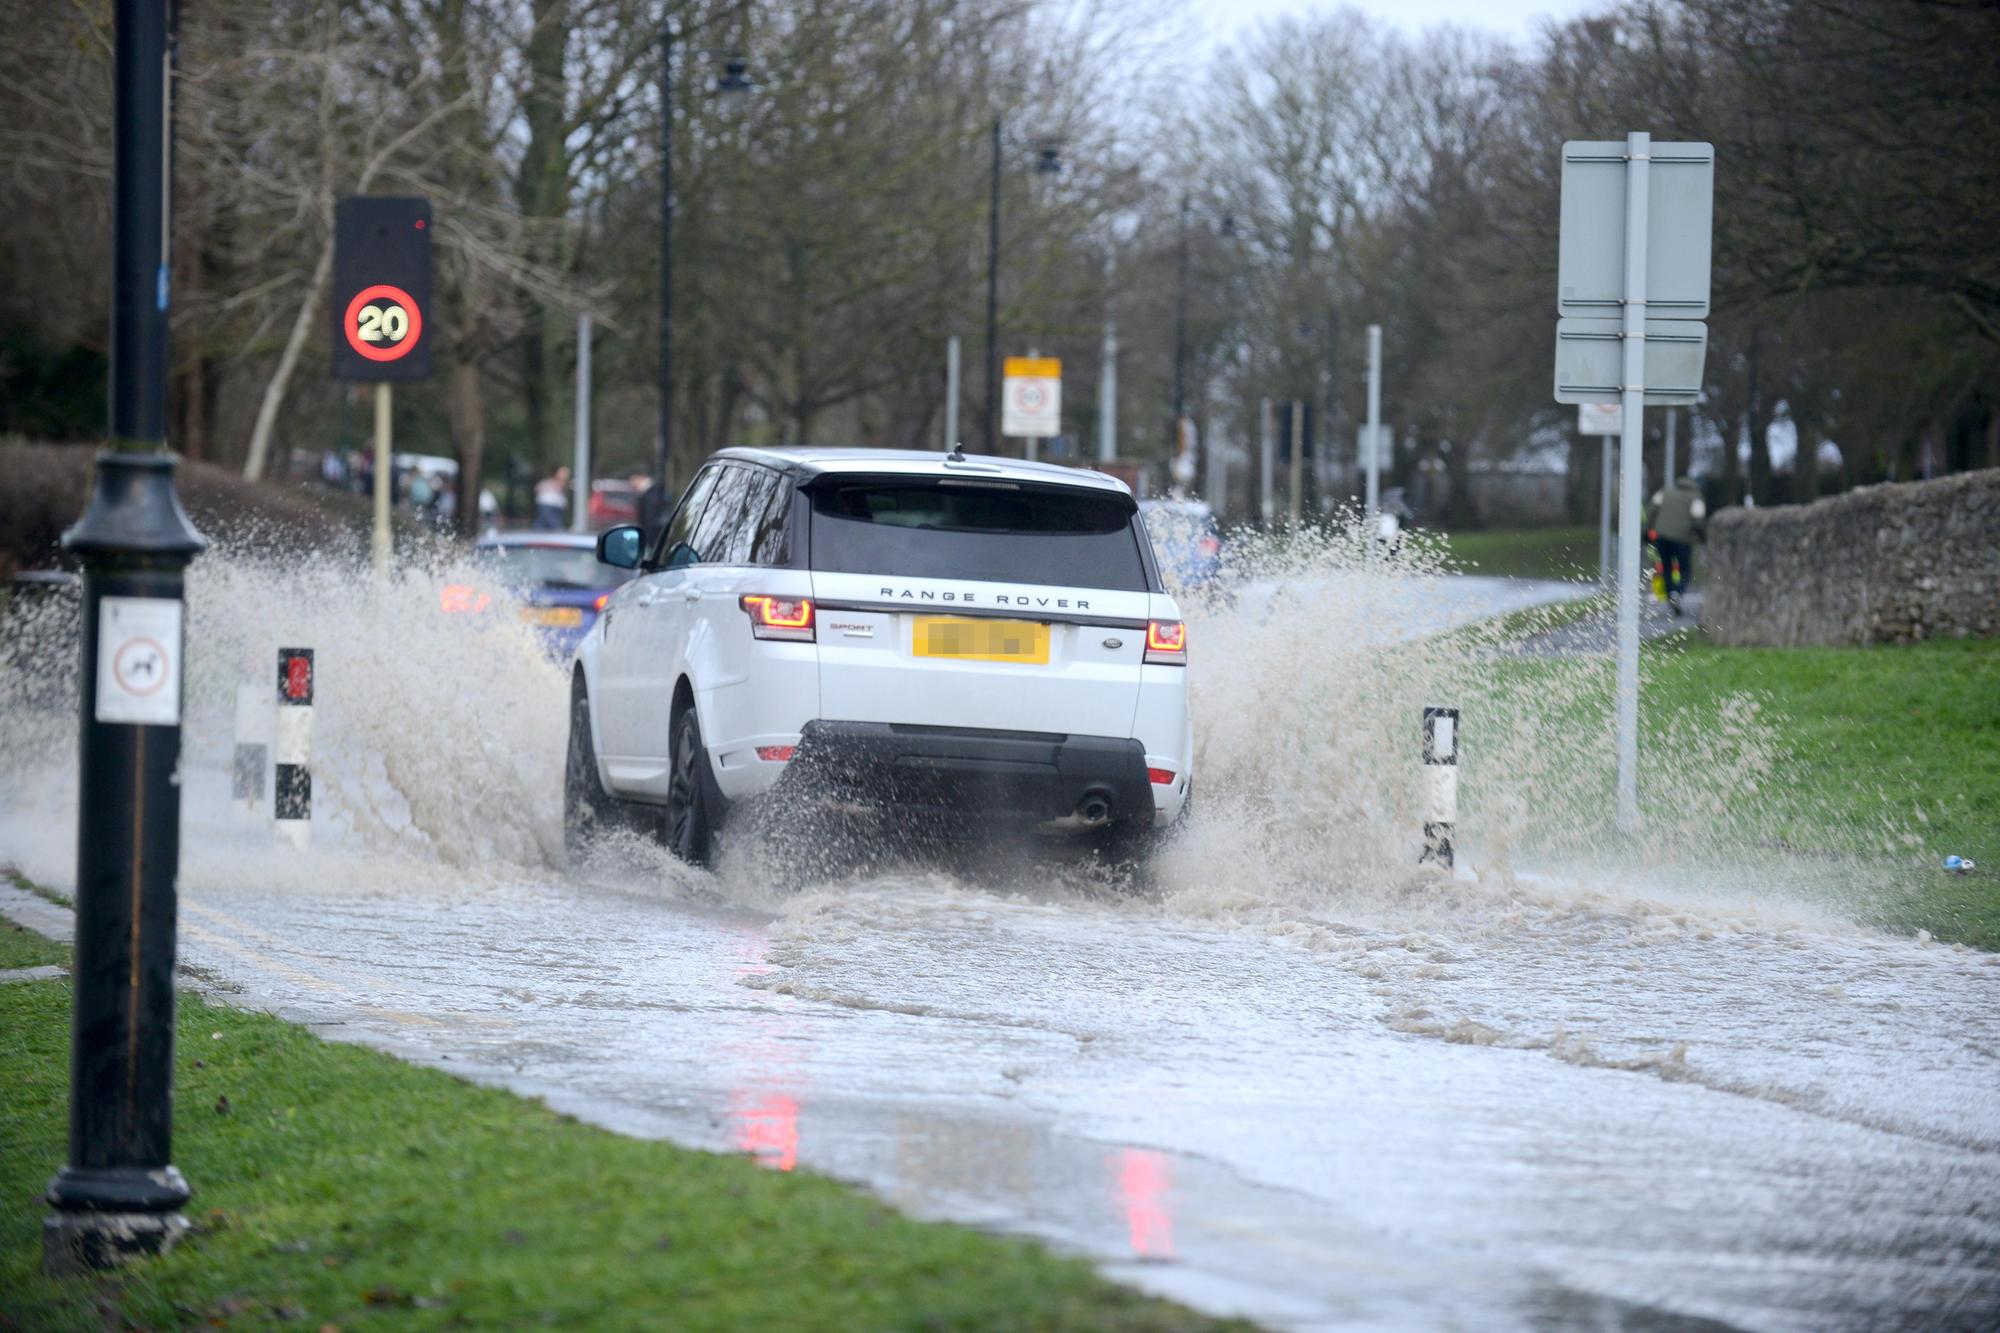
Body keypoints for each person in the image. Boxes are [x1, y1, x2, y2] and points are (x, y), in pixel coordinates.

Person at [1646, 473, 1707, 615]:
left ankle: (1670, 594)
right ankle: (1677, 593)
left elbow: (1651, 509)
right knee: (1685, 569)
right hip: (1682, 538)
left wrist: (1648, 529)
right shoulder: (1695, 497)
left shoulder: (1665, 491)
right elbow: (1698, 520)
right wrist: (1702, 537)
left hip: (1661, 536)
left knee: (1666, 567)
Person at [635, 472, 672, 550]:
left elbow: (650, 517)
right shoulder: (652, 492)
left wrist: (649, 538)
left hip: (654, 536)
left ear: (639, 477)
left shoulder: (651, 493)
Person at [533, 465, 571, 530]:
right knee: (553, 526)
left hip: (557, 508)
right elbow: (537, 488)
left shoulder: (564, 485)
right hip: (546, 507)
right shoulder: (546, 482)